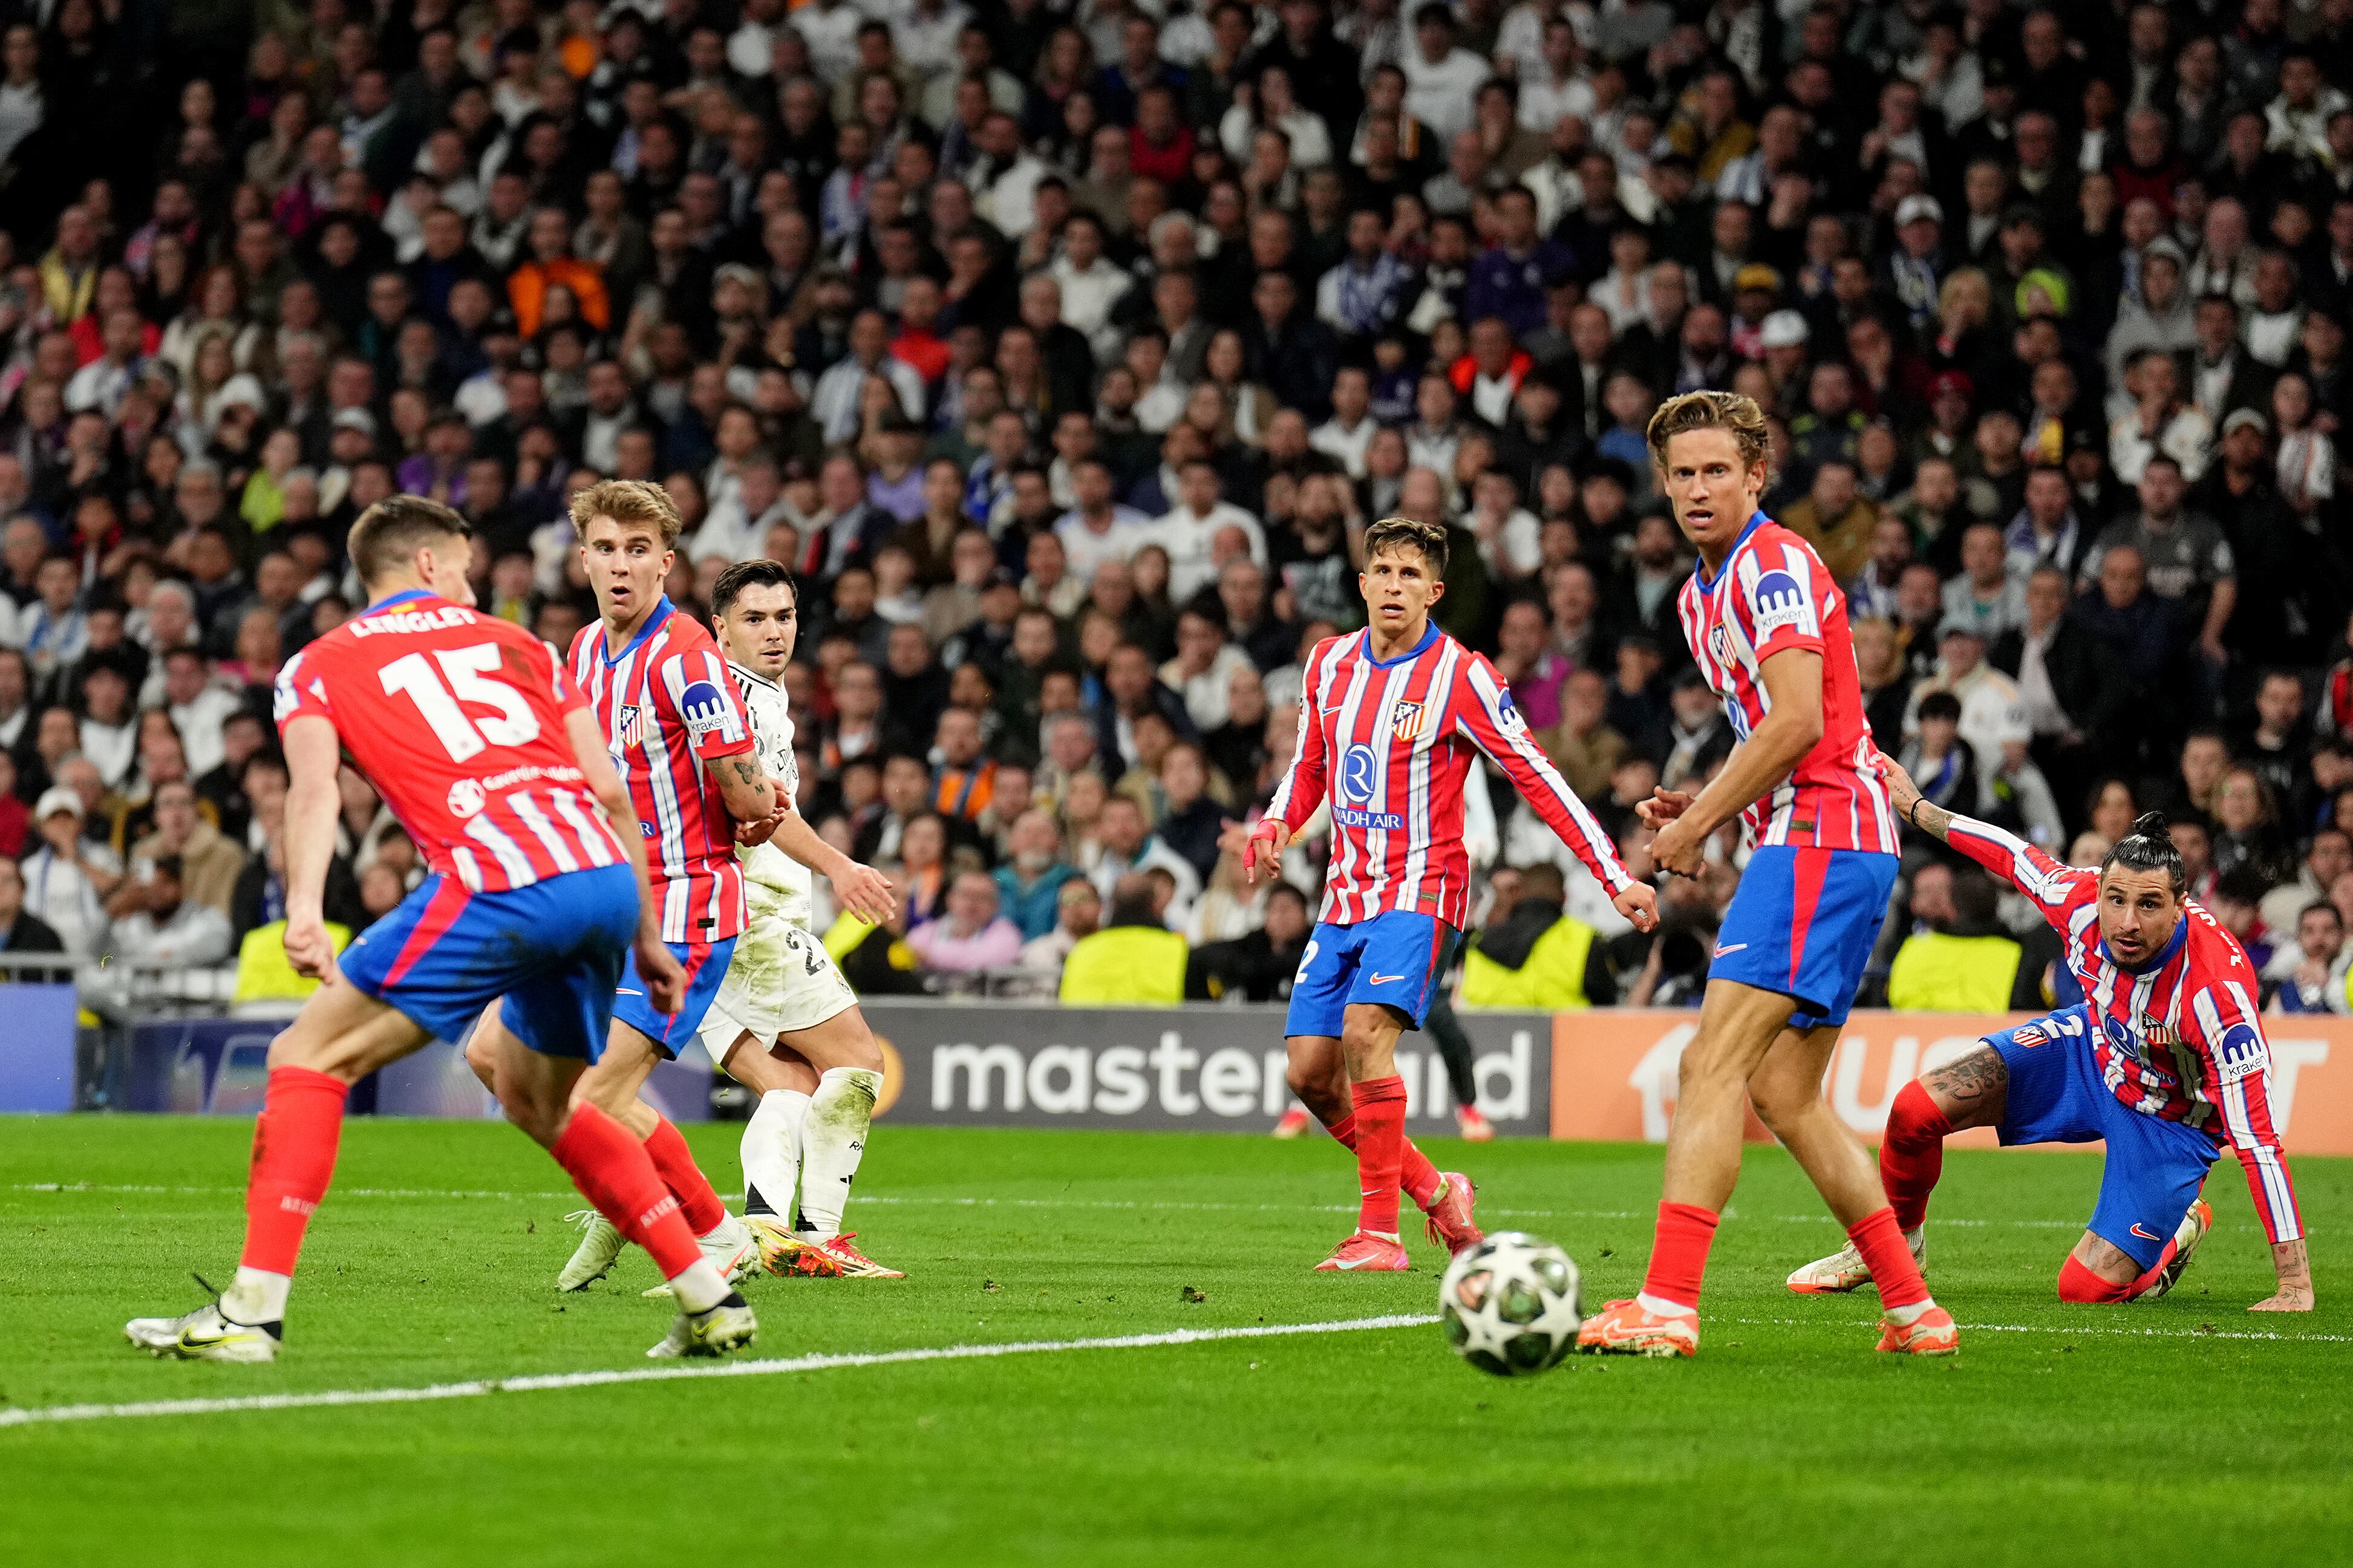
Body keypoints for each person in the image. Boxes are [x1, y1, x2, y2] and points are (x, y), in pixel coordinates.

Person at [125, 496, 753, 1364]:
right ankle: (706, 1292)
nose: (469, 582)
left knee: (305, 1058)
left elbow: (312, 794)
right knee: (544, 1102)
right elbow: (611, 793)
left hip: (498, 873)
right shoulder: (522, 644)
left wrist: (303, 909)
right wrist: (643, 933)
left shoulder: (317, 666)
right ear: (426, 565)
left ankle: (251, 1315)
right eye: (461, 565)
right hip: (603, 878)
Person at [1584, 390, 1954, 1359]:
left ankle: (1665, 1303)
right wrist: (1707, 804)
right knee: (1784, 1096)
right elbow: (1775, 733)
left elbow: (1797, 722)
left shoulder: (1775, 563)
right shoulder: (1697, 592)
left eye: (1717, 470)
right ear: (1661, 486)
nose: (1699, 488)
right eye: (1682, 474)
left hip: (1823, 838)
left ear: (1756, 475)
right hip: (1821, 838)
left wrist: (1697, 821)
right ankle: (1914, 1309)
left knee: (1708, 1064)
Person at [1238, 513, 1658, 1272]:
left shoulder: (1461, 676)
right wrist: (1275, 825)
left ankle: (1378, 1236)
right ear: (1361, 583)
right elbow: (1309, 767)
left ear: (1434, 593)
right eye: (1382, 572)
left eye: (1410, 576)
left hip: (1422, 890)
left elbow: (1538, 774)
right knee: (1309, 1074)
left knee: (1365, 1037)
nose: (1393, 586)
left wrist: (1613, 873)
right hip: (1343, 897)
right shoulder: (1327, 664)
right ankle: (1438, 1192)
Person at [1791, 766, 2314, 1315]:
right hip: (2094, 1049)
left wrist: (2294, 1285)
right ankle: (1893, 1250)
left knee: (2083, 1291)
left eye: (2150, 905)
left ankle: (2176, 1234)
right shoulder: (2080, 900)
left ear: (2182, 905)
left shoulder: (2216, 996)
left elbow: (2259, 1141)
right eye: (2116, 899)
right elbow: (2012, 854)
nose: (2126, 922)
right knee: (1916, 1109)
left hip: (2171, 1122)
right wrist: (1921, 810)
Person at [511, 479, 774, 1295]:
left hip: (689, 905)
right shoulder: (584, 652)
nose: (619, 566)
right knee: (570, 1090)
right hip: (612, 909)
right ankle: (658, 1217)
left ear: (666, 561)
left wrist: (760, 806)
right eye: (604, 548)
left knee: (592, 1097)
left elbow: (738, 776)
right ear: (581, 557)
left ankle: (712, 1236)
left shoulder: (688, 652)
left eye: (636, 550)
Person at [690, 560, 903, 1280]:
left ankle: (759, 1234)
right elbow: (758, 809)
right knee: (858, 1062)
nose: (773, 631)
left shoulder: (754, 697)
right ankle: (819, 1234)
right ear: (720, 626)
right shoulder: (733, 702)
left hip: (698, 919)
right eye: (754, 618)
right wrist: (840, 867)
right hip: (749, 917)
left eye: (782, 616)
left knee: (789, 1086)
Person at [1458, 862, 1613, 1009]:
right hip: (1565, 1033)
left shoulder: (1479, 939)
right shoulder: (1583, 937)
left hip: (1483, 1033)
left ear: (1519, 893)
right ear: (1565, 897)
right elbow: (1606, 1003)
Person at [1059, 872, 1187, 1002]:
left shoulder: (1081, 951)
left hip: (1090, 1022)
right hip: (1160, 1022)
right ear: (1155, 906)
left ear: (1113, 905)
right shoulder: (1179, 950)